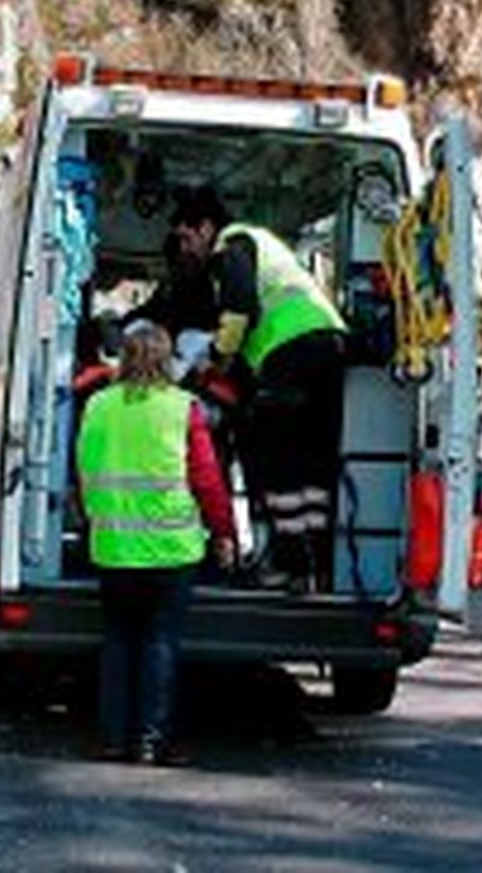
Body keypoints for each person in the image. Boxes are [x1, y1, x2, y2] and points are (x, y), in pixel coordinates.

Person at [167, 185, 347, 592]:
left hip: (291, 351)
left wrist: (215, 358)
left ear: (207, 228)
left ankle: (289, 564)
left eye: (186, 238)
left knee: (275, 459)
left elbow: (239, 311)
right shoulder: (268, 249)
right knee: (313, 463)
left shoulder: (234, 245)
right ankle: (318, 563)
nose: (185, 249)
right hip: (327, 347)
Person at [76, 320, 237, 765]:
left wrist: (95, 518)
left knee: (118, 640)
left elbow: (85, 471)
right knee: (160, 642)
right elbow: (207, 479)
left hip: (114, 546)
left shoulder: (99, 406)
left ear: (124, 359)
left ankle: (110, 738)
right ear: (168, 361)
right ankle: (150, 739)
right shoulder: (183, 408)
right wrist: (224, 532)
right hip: (172, 549)